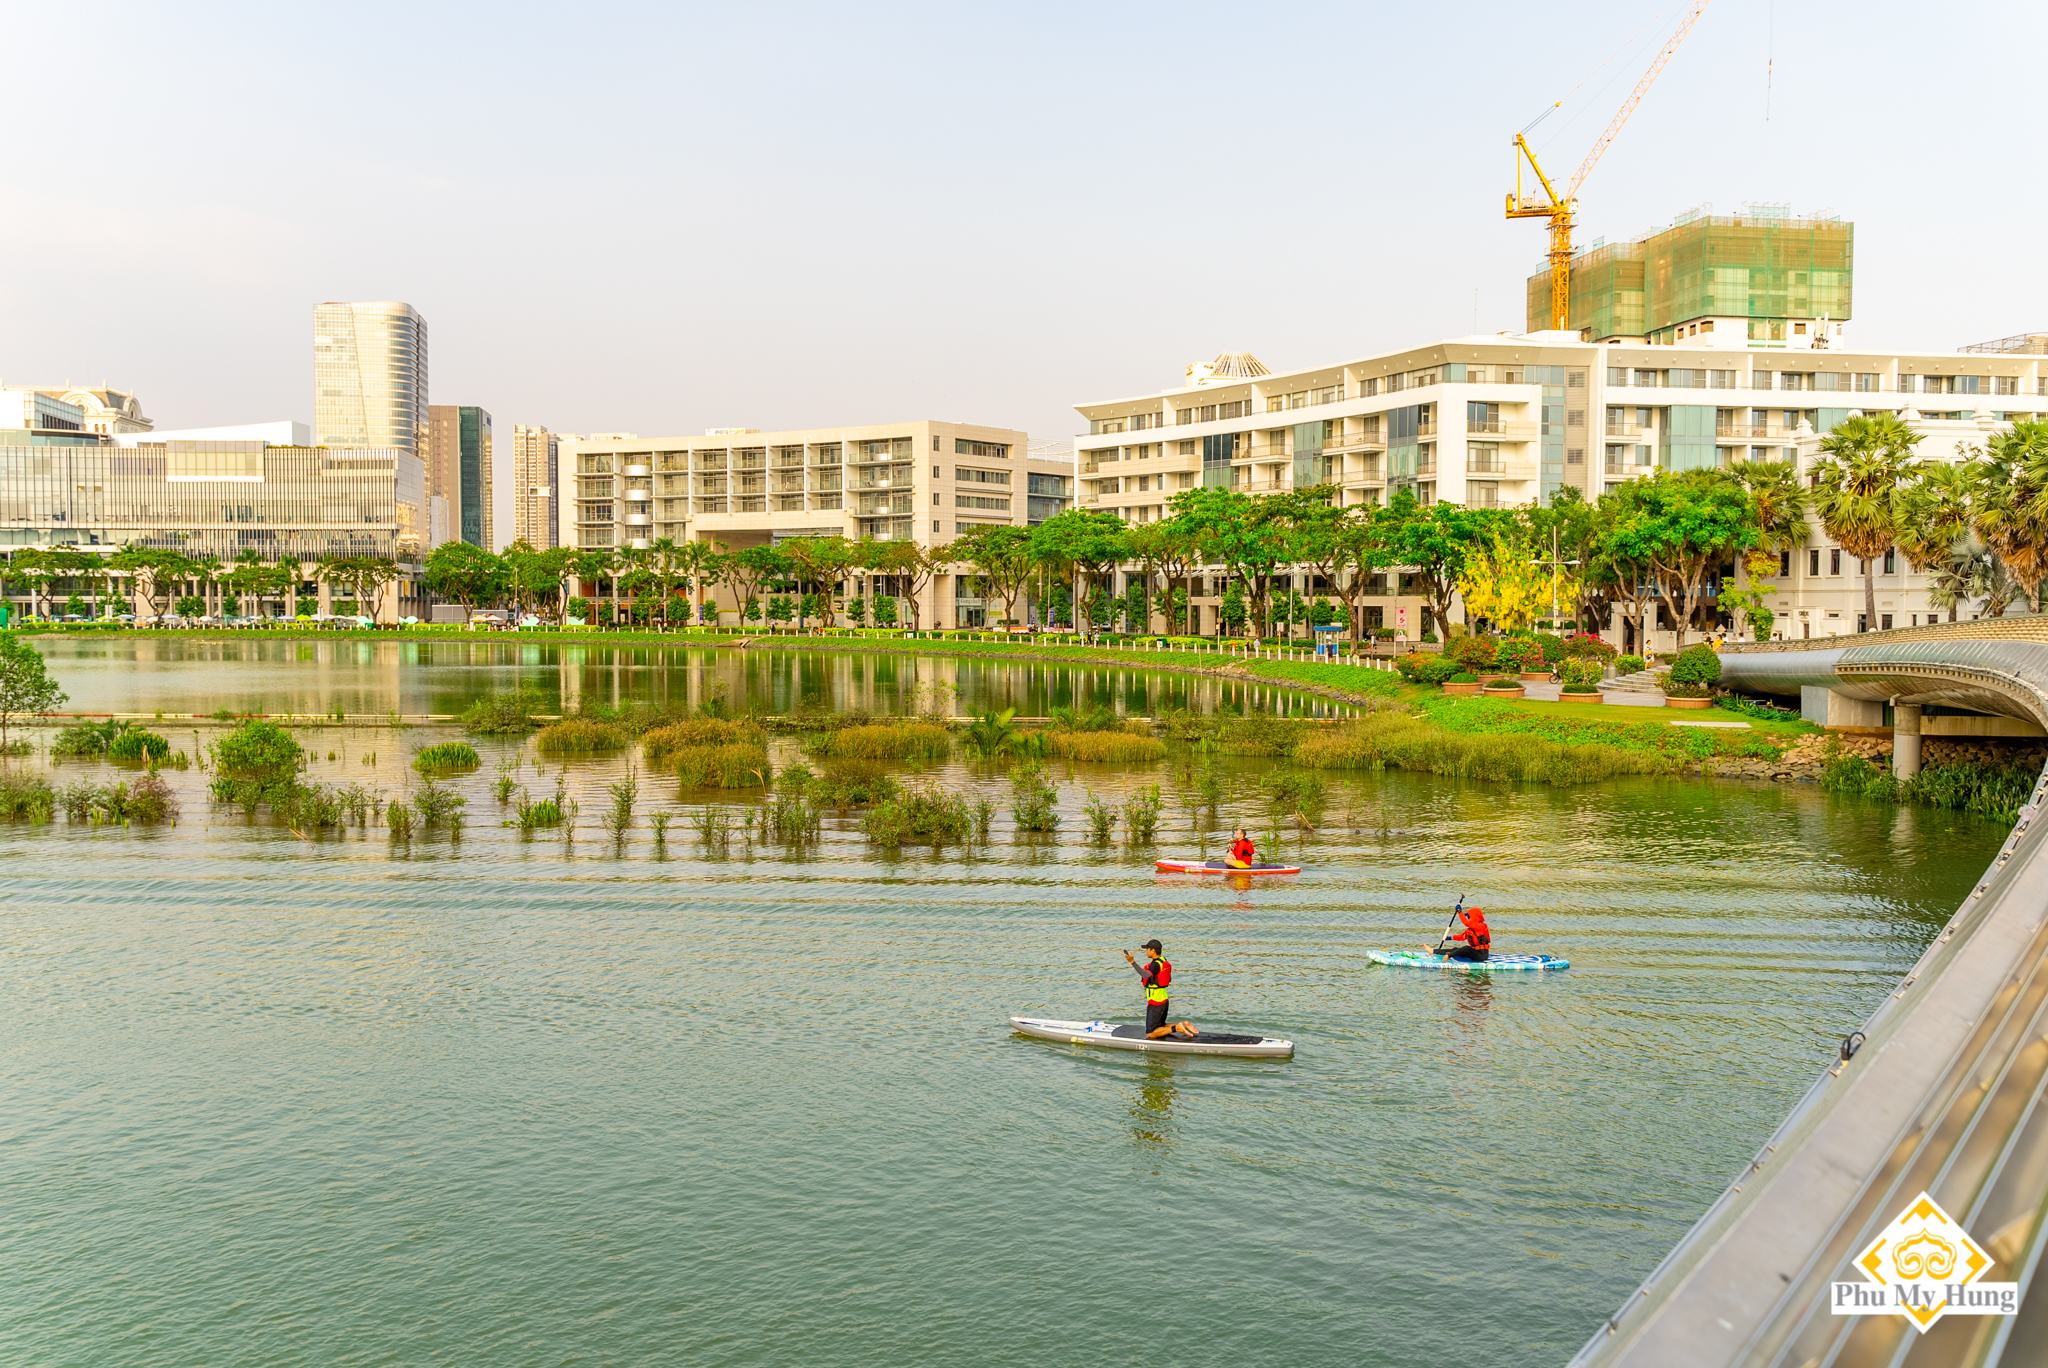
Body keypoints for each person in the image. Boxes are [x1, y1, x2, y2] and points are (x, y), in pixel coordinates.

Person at [1123, 940, 1198, 1038]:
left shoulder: (1155, 965)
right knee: (1160, 1026)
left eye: (1147, 949)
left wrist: (1132, 962)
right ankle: (1185, 1025)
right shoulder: (1162, 960)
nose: (1146, 951)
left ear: (1153, 950)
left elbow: (1145, 974)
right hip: (1163, 998)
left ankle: (1178, 1028)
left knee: (1151, 1033)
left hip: (1156, 1001)